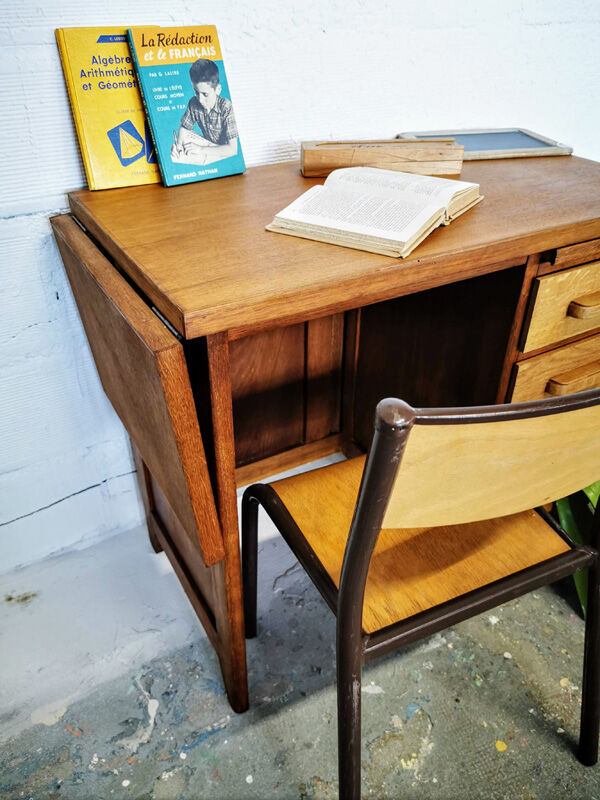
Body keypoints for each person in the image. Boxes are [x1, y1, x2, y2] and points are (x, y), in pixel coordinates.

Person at [171, 59, 239, 165]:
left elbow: (232, 149)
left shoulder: (225, 107)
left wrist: (200, 149)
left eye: (205, 94)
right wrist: (178, 145)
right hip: (207, 146)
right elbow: (184, 127)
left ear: (218, 89)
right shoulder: (194, 103)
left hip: (224, 155)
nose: (200, 99)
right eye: (196, 93)